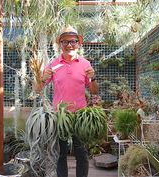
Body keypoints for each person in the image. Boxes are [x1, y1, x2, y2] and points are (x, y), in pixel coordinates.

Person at [35, 25, 99, 177]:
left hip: (80, 116)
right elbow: (37, 89)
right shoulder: (53, 65)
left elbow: (94, 90)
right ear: (60, 44)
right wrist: (41, 79)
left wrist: (94, 78)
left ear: (78, 43)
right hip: (60, 116)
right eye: (65, 41)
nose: (69, 44)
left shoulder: (85, 64)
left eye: (73, 41)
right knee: (60, 154)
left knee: (81, 153)